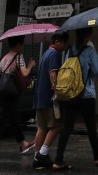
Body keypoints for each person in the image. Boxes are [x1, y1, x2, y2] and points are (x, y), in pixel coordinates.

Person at [53, 27, 98, 169]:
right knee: (91, 126)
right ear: (88, 36)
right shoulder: (90, 51)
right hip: (86, 94)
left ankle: (58, 160)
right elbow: (97, 72)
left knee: (67, 127)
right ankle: (97, 156)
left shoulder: (69, 51)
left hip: (71, 94)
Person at [0, 36, 36, 159]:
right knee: (1, 120)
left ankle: (23, 143)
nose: (22, 46)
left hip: (2, 92)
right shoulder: (18, 56)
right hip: (12, 92)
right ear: (18, 45)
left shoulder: (5, 57)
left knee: (13, 118)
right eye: (21, 44)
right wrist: (30, 65)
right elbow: (25, 73)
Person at [32, 31, 69, 169]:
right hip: (49, 97)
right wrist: (57, 93)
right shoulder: (54, 54)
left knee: (42, 127)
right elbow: (53, 74)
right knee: (56, 125)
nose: (65, 46)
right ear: (58, 42)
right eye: (64, 43)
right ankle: (43, 153)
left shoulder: (46, 53)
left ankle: (37, 157)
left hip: (39, 96)